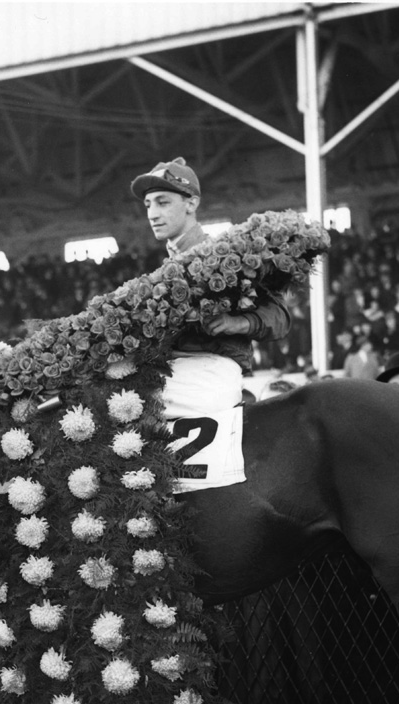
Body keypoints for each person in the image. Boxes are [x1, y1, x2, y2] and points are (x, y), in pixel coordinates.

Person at [131, 157, 291, 490]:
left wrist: (238, 322)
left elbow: (280, 317)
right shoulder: (161, 271)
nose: (153, 213)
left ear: (192, 203)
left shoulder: (225, 255)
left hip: (210, 372)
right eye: (148, 204)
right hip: (171, 372)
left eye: (163, 202)